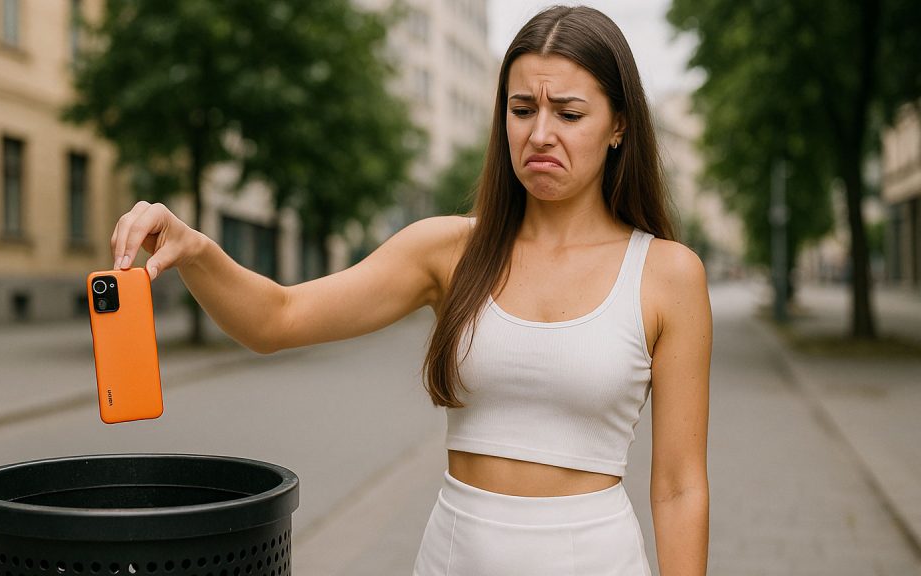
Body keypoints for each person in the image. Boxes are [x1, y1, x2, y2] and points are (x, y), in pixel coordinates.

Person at [110, 5, 710, 575]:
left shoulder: (666, 274)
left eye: (570, 114)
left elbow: (680, 487)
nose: (540, 133)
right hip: (455, 555)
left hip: (594, 557)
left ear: (619, 126)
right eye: (522, 109)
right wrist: (195, 249)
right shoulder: (447, 251)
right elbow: (277, 319)